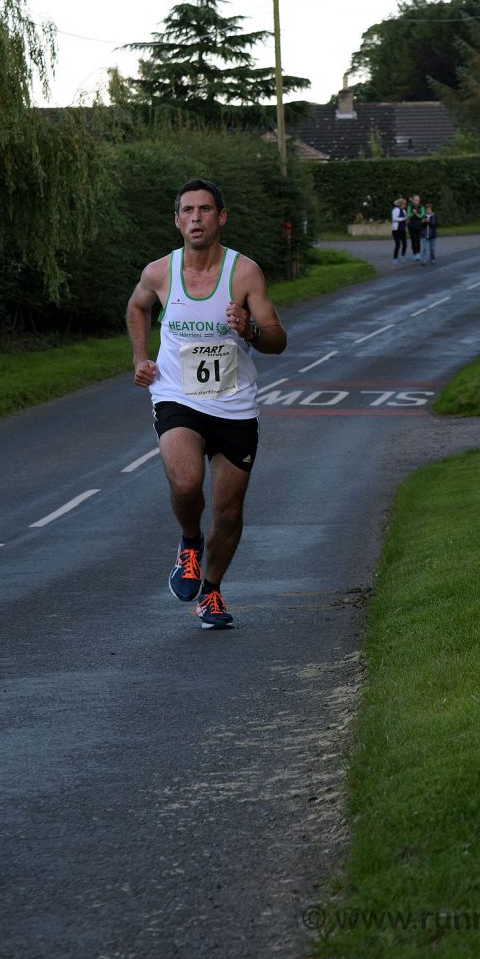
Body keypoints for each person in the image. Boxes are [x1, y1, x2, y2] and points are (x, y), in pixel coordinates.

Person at [126, 178, 287, 629]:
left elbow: (278, 339)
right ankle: (190, 544)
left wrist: (250, 329)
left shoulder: (244, 273)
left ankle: (211, 592)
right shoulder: (159, 272)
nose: (196, 218)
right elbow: (137, 308)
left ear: (222, 217)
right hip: (178, 395)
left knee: (229, 509)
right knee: (184, 481)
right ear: (177, 220)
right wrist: (141, 357)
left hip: (234, 404)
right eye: (188, 211)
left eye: (205, 209)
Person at [406, 194, 424, 261]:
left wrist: (416, 213)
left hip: (419, 226)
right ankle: (414, 254)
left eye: (418, 200)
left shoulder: (421, 207)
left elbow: (422, 215)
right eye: (416, 200)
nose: (417, 201)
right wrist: (412, 213)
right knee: (413, 240)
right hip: (411, 226)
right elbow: (408, 216)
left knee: (418, 240)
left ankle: (418, 254)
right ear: (413, 200)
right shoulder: (409, 207)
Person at [391, 196, 407, 263]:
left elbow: (405, 219)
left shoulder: (404, 211)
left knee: (405, 243)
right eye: (404, 204)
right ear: (401, 204)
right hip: (396, 230)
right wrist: (403, 219)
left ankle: (403, 256)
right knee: (398, 244)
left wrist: (406, 220)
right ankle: (395, 258)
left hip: (402, 229)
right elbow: (394, 218)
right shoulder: (396, 210)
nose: (405, 205)